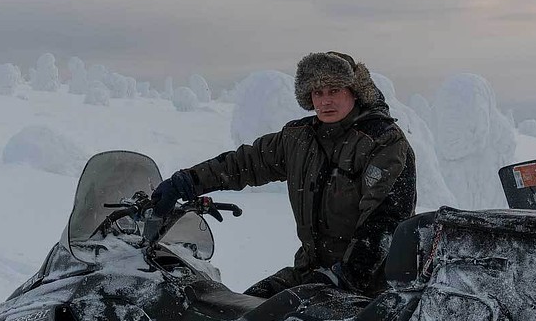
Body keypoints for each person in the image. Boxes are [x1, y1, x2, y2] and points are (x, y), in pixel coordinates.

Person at [153, 52, 416, 297]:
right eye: (318, 92)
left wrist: (344, 278)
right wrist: (187, 181)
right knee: (241, 315)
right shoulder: (299, 138)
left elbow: (385, 222)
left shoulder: (382, 141)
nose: (325, 101)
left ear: (355, 92)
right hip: (309, 272)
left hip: (366, 288)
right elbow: (244, 163)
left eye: (334, 90)